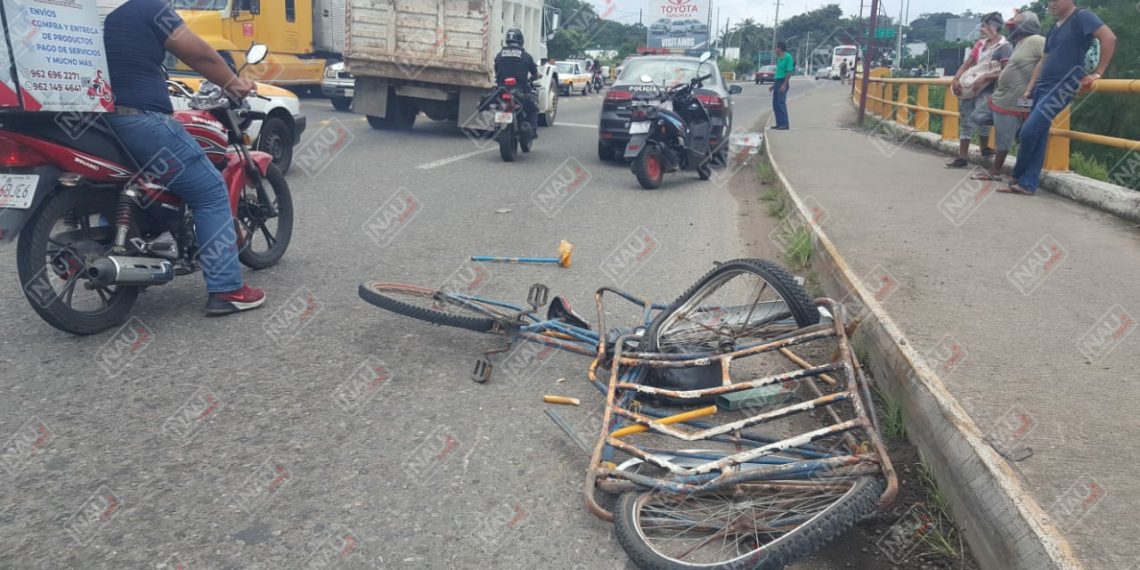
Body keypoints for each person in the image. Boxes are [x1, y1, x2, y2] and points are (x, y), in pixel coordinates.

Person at [98, 0, 266, 315]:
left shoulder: (100, 15)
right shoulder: (150, 9)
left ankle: (136, 254)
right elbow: (198, 53)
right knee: (210, 191)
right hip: (139, 118)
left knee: (124, 184)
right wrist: (234, 82)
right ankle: (227, 289)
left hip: (98, 121)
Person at [1003, 0, 1116, 195]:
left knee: (1028, 132)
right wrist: (1030, 87)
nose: (1050, 4)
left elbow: (1109, 38)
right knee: (1038, 135)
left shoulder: (1082, 17)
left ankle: (1017, 174)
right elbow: (1044, 59)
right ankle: (1027, 184)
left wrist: (1098, 73)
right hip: (1042, 86)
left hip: (1064, 86)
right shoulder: (1053, 28)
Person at [969, 11, 1045, 181]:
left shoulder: (1037, 41)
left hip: (1016, 99)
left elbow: (1049, 57)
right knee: (978, 116)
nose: (1012, 28)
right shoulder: (1019, 43)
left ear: (1025, 27)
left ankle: (994, 171)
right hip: (1001, 96)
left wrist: (1034, 83)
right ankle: (1014, 129)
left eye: (1016, 24)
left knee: (1004, 137)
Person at [947, 12, 1011, 168]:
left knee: (981, 117)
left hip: (987, 89)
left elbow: (1007, 70)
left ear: (993, 27)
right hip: (970, 87)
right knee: (966, 119)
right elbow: (967, 63)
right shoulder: (980, 45)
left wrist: (986, 77)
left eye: (984, 25)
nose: (981, 29)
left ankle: (984, 148)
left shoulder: (1005, 47)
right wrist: (956, 78)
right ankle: (963, 156)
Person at [493, 27, 540, 137]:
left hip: (501, 91)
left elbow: (497, 72)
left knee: (494, 105)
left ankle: (497, 127)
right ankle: (532, 131)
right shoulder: (526, 56)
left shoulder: (499, 55)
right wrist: (534, 78)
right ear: (521, 40)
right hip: (520, 91)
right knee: (532, 108)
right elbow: (535, 74)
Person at [770, 41, 793, 130]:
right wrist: (773, 85)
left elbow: (789, 72)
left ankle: (785, 124)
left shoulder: (788, 57)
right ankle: (779, 123)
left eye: (776, 48)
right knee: (775, 104)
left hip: (783, 81)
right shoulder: (779, 58)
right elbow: (778, 73)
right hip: (777, 81)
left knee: (781, 103)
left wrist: (784, 84)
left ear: (780, 48)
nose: (775, 50)